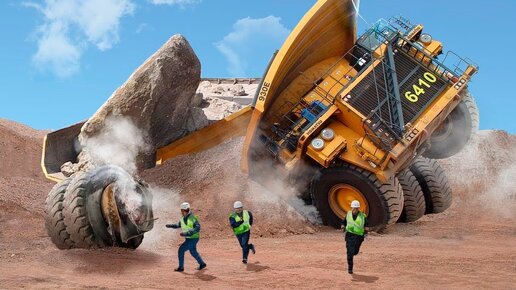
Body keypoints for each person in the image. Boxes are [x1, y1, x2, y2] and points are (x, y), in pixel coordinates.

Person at [166, 202, 207, 272]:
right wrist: (170, 225)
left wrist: (187, 233)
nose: (181, 212)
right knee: (193, 252)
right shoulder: (183, 218)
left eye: (181, 210)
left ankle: (181, 267)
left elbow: (197, 227)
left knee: (181, 250)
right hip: (189, 239)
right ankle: (202, 264)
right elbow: (178, 225)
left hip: (193, 238)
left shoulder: (192, 218)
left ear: (183, 210)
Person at [341, 200, 369, 274]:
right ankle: (350, 269)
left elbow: (366, 225)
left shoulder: (363, 216)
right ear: (351, 208)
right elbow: (343, 222)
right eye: (354, 208)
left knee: (355, 252)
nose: (355, 209)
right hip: (349, 235)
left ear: (358, 208)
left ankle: (354, 252)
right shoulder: (348, 214)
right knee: (349, 252)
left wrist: (366, 233)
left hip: (358, 236)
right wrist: (343, 227)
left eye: (356, 208)